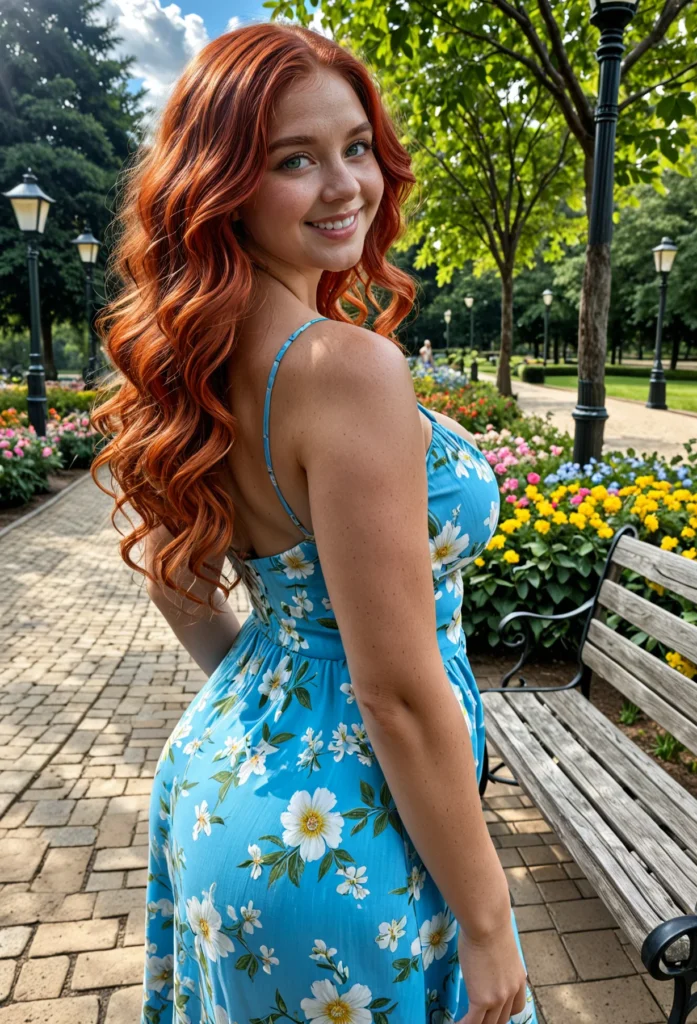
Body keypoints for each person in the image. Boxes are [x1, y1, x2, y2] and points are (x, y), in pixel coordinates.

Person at [90, 21, 536, 1024]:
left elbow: (175, 574)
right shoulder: (342, 366)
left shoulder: (198, 359)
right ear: (224, 184)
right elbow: (395, 691)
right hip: (346, 841)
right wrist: (489, 915)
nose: (347, 186)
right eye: (295, 159)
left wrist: (281, 703)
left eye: (356, 147)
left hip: (227, 796)